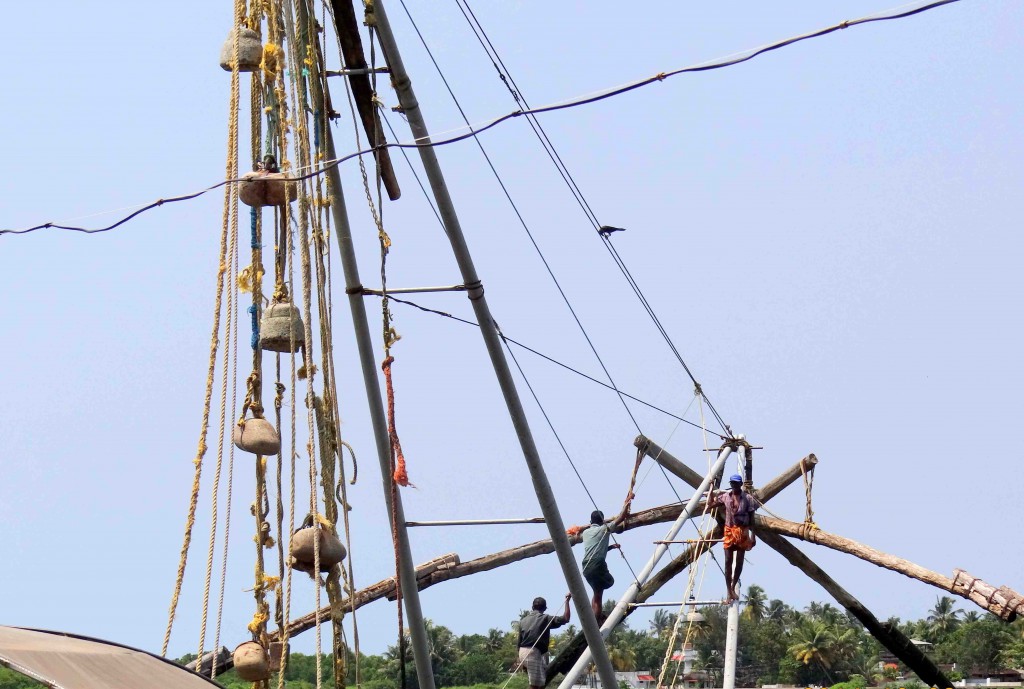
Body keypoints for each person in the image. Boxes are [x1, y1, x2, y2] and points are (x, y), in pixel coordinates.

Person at [710, 473, 757, 602]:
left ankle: (733, 585)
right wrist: (710, 489)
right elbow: (710, 505)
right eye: (732, 483)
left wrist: (753, 535)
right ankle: (729, 590)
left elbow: (752, 518)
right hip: (729, 531)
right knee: (727, 562)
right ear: (730, 484)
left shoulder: (747, 498)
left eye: (736, 483)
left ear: (740, 484)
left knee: (739, 562)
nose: (734, 485)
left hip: (742, 531)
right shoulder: (725, 497)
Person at [580, 509, 627, 620]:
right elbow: (620, 518)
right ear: (602, 521)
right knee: (609, 582)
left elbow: (595, 547)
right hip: (597, 564)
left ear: (590, 521)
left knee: (596, 593)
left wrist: (610, 547)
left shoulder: (585, 533)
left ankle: (594, 618)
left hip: (586, 566)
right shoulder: (603, 529)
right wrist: (628, 502)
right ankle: (596, 622)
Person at [518, 594, 571, 689]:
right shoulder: (545, 618)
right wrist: (567, 601)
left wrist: (521, 660)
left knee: (541, 684)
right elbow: (565, 618)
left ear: (532, 607)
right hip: (532, 652)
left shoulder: (523, 620)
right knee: (534, 685)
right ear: (545, 608)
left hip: (523, 652)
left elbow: (519, 643)